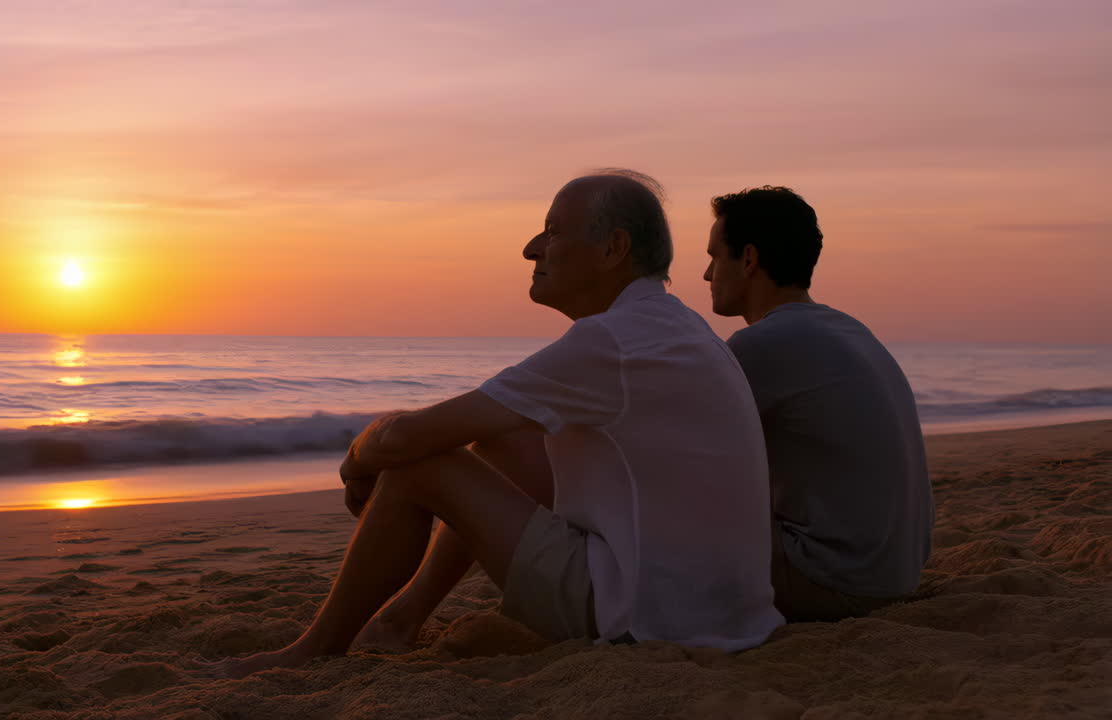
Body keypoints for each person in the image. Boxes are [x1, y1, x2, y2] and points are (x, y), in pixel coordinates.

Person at [224, 170, 782, 675]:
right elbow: (482, 421)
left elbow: (409, 437)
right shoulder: (669, 327)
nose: (531, 248)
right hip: (715, 610)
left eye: (552, 231)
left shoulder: (612, 341)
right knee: (503, 433)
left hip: (648, 618)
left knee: (421, 466)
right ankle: (400, 619)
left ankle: (312, 650)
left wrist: (360, 454)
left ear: (614, 248)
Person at [702, 185, 933, 622]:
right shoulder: (848, 330)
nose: (707, 275)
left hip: (838, 581)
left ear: (748, 259)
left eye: (715, 257)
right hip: (898, 572)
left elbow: (676, 451)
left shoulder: (761, 345)